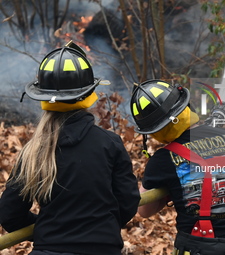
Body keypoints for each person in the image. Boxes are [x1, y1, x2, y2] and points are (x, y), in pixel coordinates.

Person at [0, 42, 140, 255]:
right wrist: (100, 227)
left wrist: (43, 228)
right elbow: (128, 202)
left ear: (42, 96)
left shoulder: (33, 151)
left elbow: (9, 213)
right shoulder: (109, 143)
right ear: (88, 93)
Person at [130, 79, 225, 255]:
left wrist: (173, 189)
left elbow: (144, 210)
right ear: (186, 106)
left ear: (153, 130)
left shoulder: (163, 160)